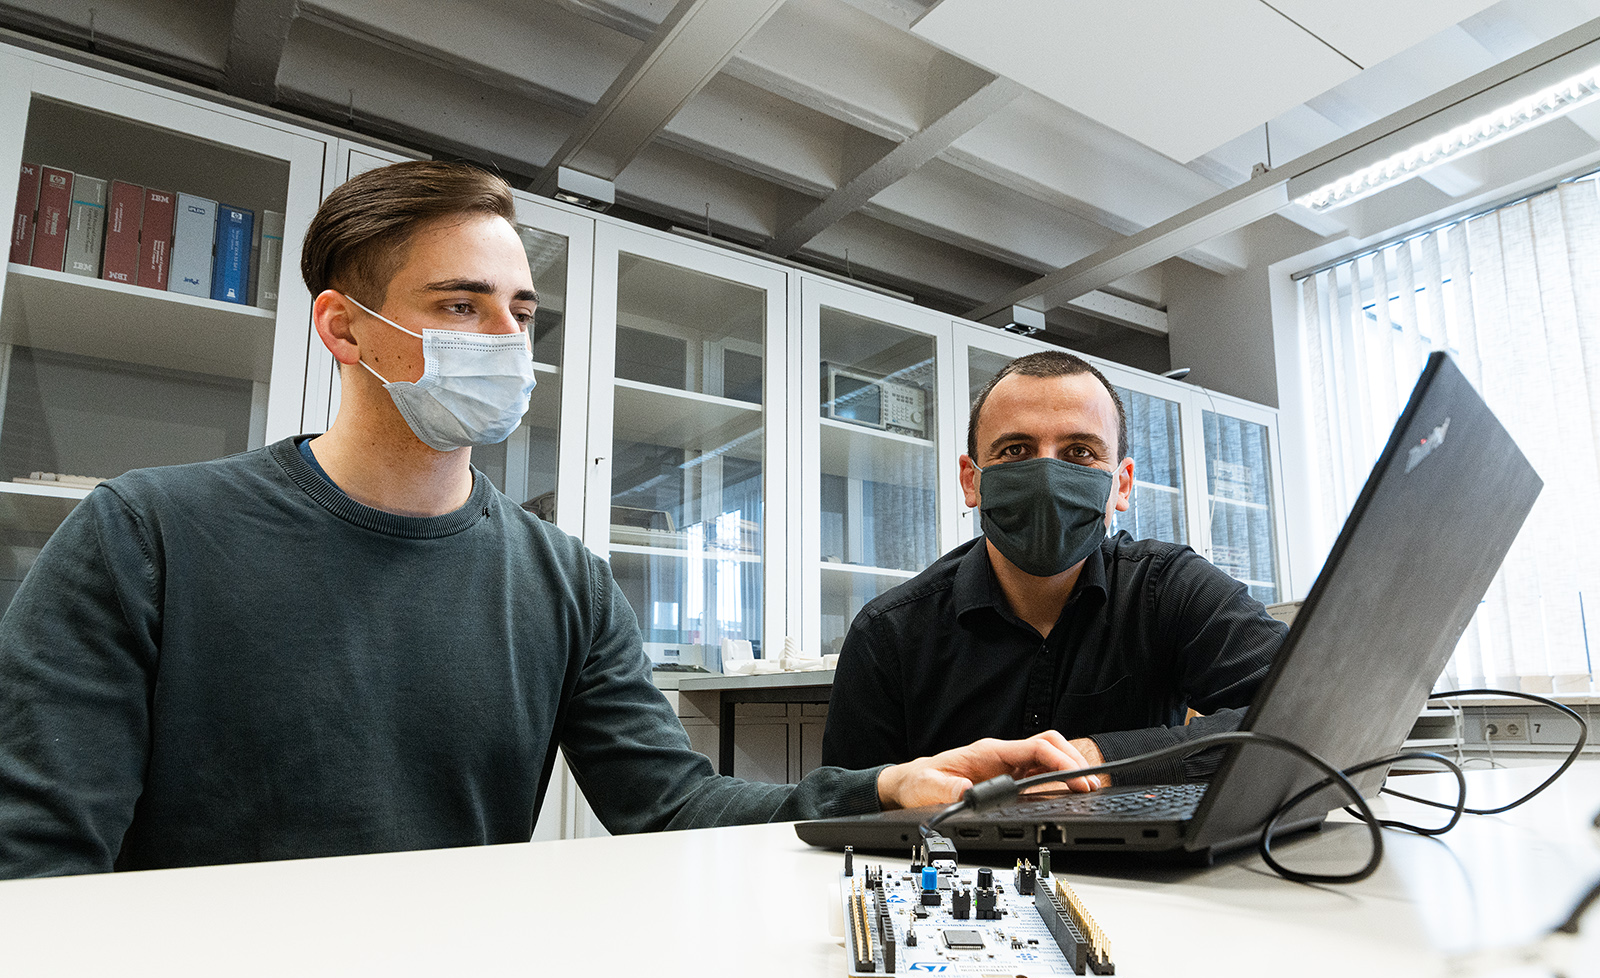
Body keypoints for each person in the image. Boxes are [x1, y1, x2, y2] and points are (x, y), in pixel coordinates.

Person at [0, 162, 1090, 879]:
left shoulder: (561, 581)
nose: (506, 339)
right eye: (459, 305)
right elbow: (34, 864)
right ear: (345, 327)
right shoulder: (144, 535)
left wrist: (887, 786)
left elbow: (667, 806)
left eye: (520, 311)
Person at [821, 351, 1288, 786]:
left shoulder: (1172, 589)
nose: (1047, 477)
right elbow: (852, 809)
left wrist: (1103, 759)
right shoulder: (887, 636)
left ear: (1120, 485)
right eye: (1016, 451)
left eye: (1080, 452)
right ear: (971, 481)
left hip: (1146, 872)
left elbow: (1306, 718)